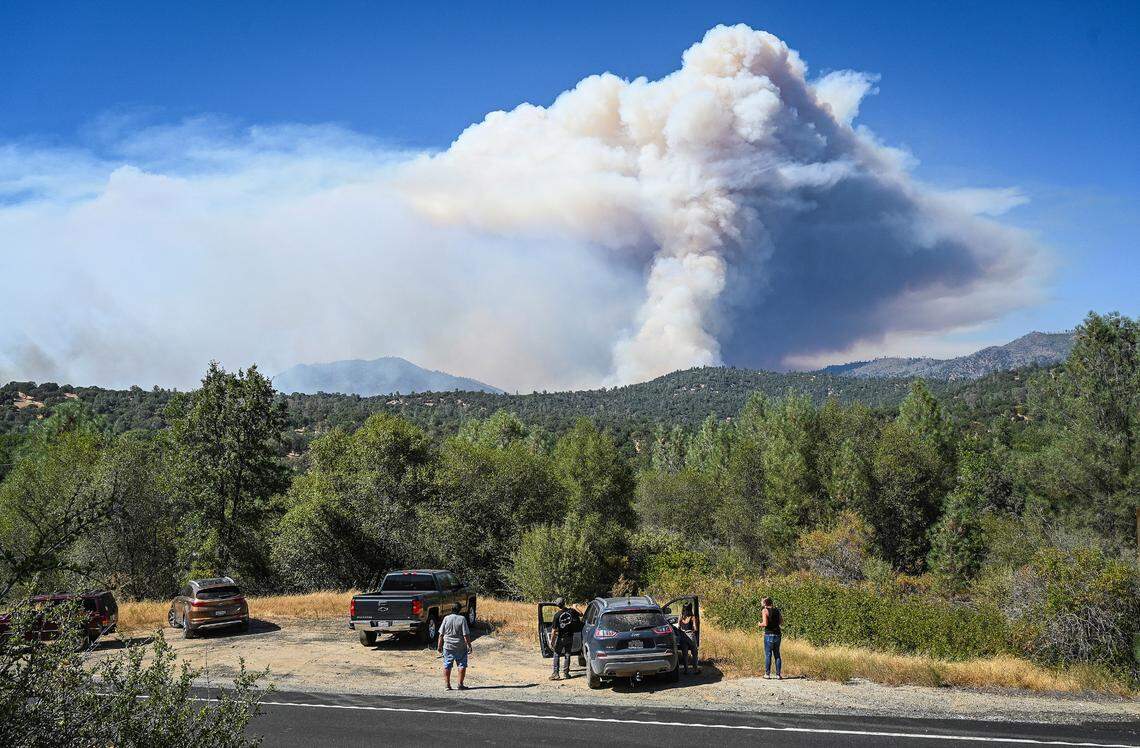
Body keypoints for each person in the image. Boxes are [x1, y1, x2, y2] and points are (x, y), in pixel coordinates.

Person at [438, 602, 472, 691]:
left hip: (448, 646)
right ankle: (460, 684)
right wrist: (469, 645)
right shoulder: (462, 619)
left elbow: (441, 634)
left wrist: (439, 646)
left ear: (451, 609)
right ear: (459, 609)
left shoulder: (446, 618)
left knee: (447, 665)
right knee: (462, 665)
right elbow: (466, 634)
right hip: (460, 646)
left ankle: (447, 685)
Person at [548, 597, 581, 681]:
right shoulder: (571, 611)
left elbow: (554, 631)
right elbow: (581, 614)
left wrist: (552, 642)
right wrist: (575, 607)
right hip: (570, 637)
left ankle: (556, 674)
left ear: (557, 605)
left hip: (561, 638)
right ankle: (566, 673)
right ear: (564, 603)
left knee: (556, 654)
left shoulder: (557, 615)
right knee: (567, 654)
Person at [757, 596, 782, 679]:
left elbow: (765, 624)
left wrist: (759, 624)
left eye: (762, 601)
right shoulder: (777, 610)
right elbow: (782, 622)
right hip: (777, 634)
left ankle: (767, 674)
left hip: (768, 635)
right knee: (777, 654)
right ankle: (778, 675)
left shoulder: (764, 611)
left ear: (765, 603)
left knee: (768, 654)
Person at [676, 602, 701, 675]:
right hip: (690, 635)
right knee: (694, 652)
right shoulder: (692, 617)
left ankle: (686, 670)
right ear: (690, 608)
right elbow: (695, 628)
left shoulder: (681, 616)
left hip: (683, 636)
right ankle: (695, 669)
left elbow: (678, 627)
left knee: (685, 654)